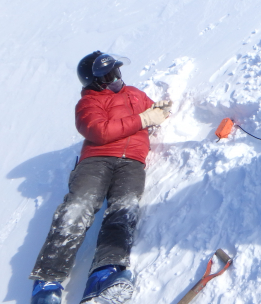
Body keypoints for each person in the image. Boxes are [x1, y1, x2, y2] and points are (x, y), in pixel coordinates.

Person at [29, 51, 171, 304]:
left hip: (132, 162)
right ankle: (47, 283)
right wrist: (143, 119)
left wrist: (159, 109)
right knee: (78, 207)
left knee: (124, 210)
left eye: (116, 71)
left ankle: (104, 275)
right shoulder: (89, 102)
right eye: (107, 75)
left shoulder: (135, 93)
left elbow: (151, 109)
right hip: (97, 160)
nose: (115, 78)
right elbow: (98, 131)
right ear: (94, 82)